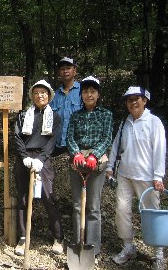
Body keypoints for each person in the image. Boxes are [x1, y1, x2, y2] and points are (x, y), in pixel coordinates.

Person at [107, 87, 166, 270]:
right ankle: (128, 247)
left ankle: (158, 254)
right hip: (124, 174)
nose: (133, 102)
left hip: (147, 177)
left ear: (145, 101)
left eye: (137, 99)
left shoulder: (154, 122)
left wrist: (158, 176)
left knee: (152, 214)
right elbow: (116, 144)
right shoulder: (126, 123)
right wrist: (110, 167)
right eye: (129, 100)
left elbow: (159, 149)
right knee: (122, 210)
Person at [13, 80, 65, 256]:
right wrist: (25, 157)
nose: (40, 95)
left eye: (43, 92)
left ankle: (58, 237)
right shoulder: (23, 115)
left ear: (49, 96)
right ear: (32, 96)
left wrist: (41, 159)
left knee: (48, 197)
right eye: (36, 93)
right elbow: (17, 137)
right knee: (22, 198)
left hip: (43, 160)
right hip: (23, 159)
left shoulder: (55, 117)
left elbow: (52, 141)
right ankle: (22, 238)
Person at [66, 76, 112, 256]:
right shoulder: (75, 115)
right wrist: (76, 153)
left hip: (97, 163)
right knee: (77, 205)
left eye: (92, 91)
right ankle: (78, 243)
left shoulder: (106, 114)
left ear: (98, 94)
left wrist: (95, 154)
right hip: (77, 162)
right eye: (85, 91)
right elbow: (70, 137)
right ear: (81, 95)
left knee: (93, 206)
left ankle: (92, 247)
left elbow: (107, 137)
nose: (89, 94)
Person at [50, 57, 81, 154]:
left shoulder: (83, 91)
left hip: (78, 144)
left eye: (68, 68)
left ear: (74, 71)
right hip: (58, 143)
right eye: (62, 69)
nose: (65, 71)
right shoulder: (55, 95)